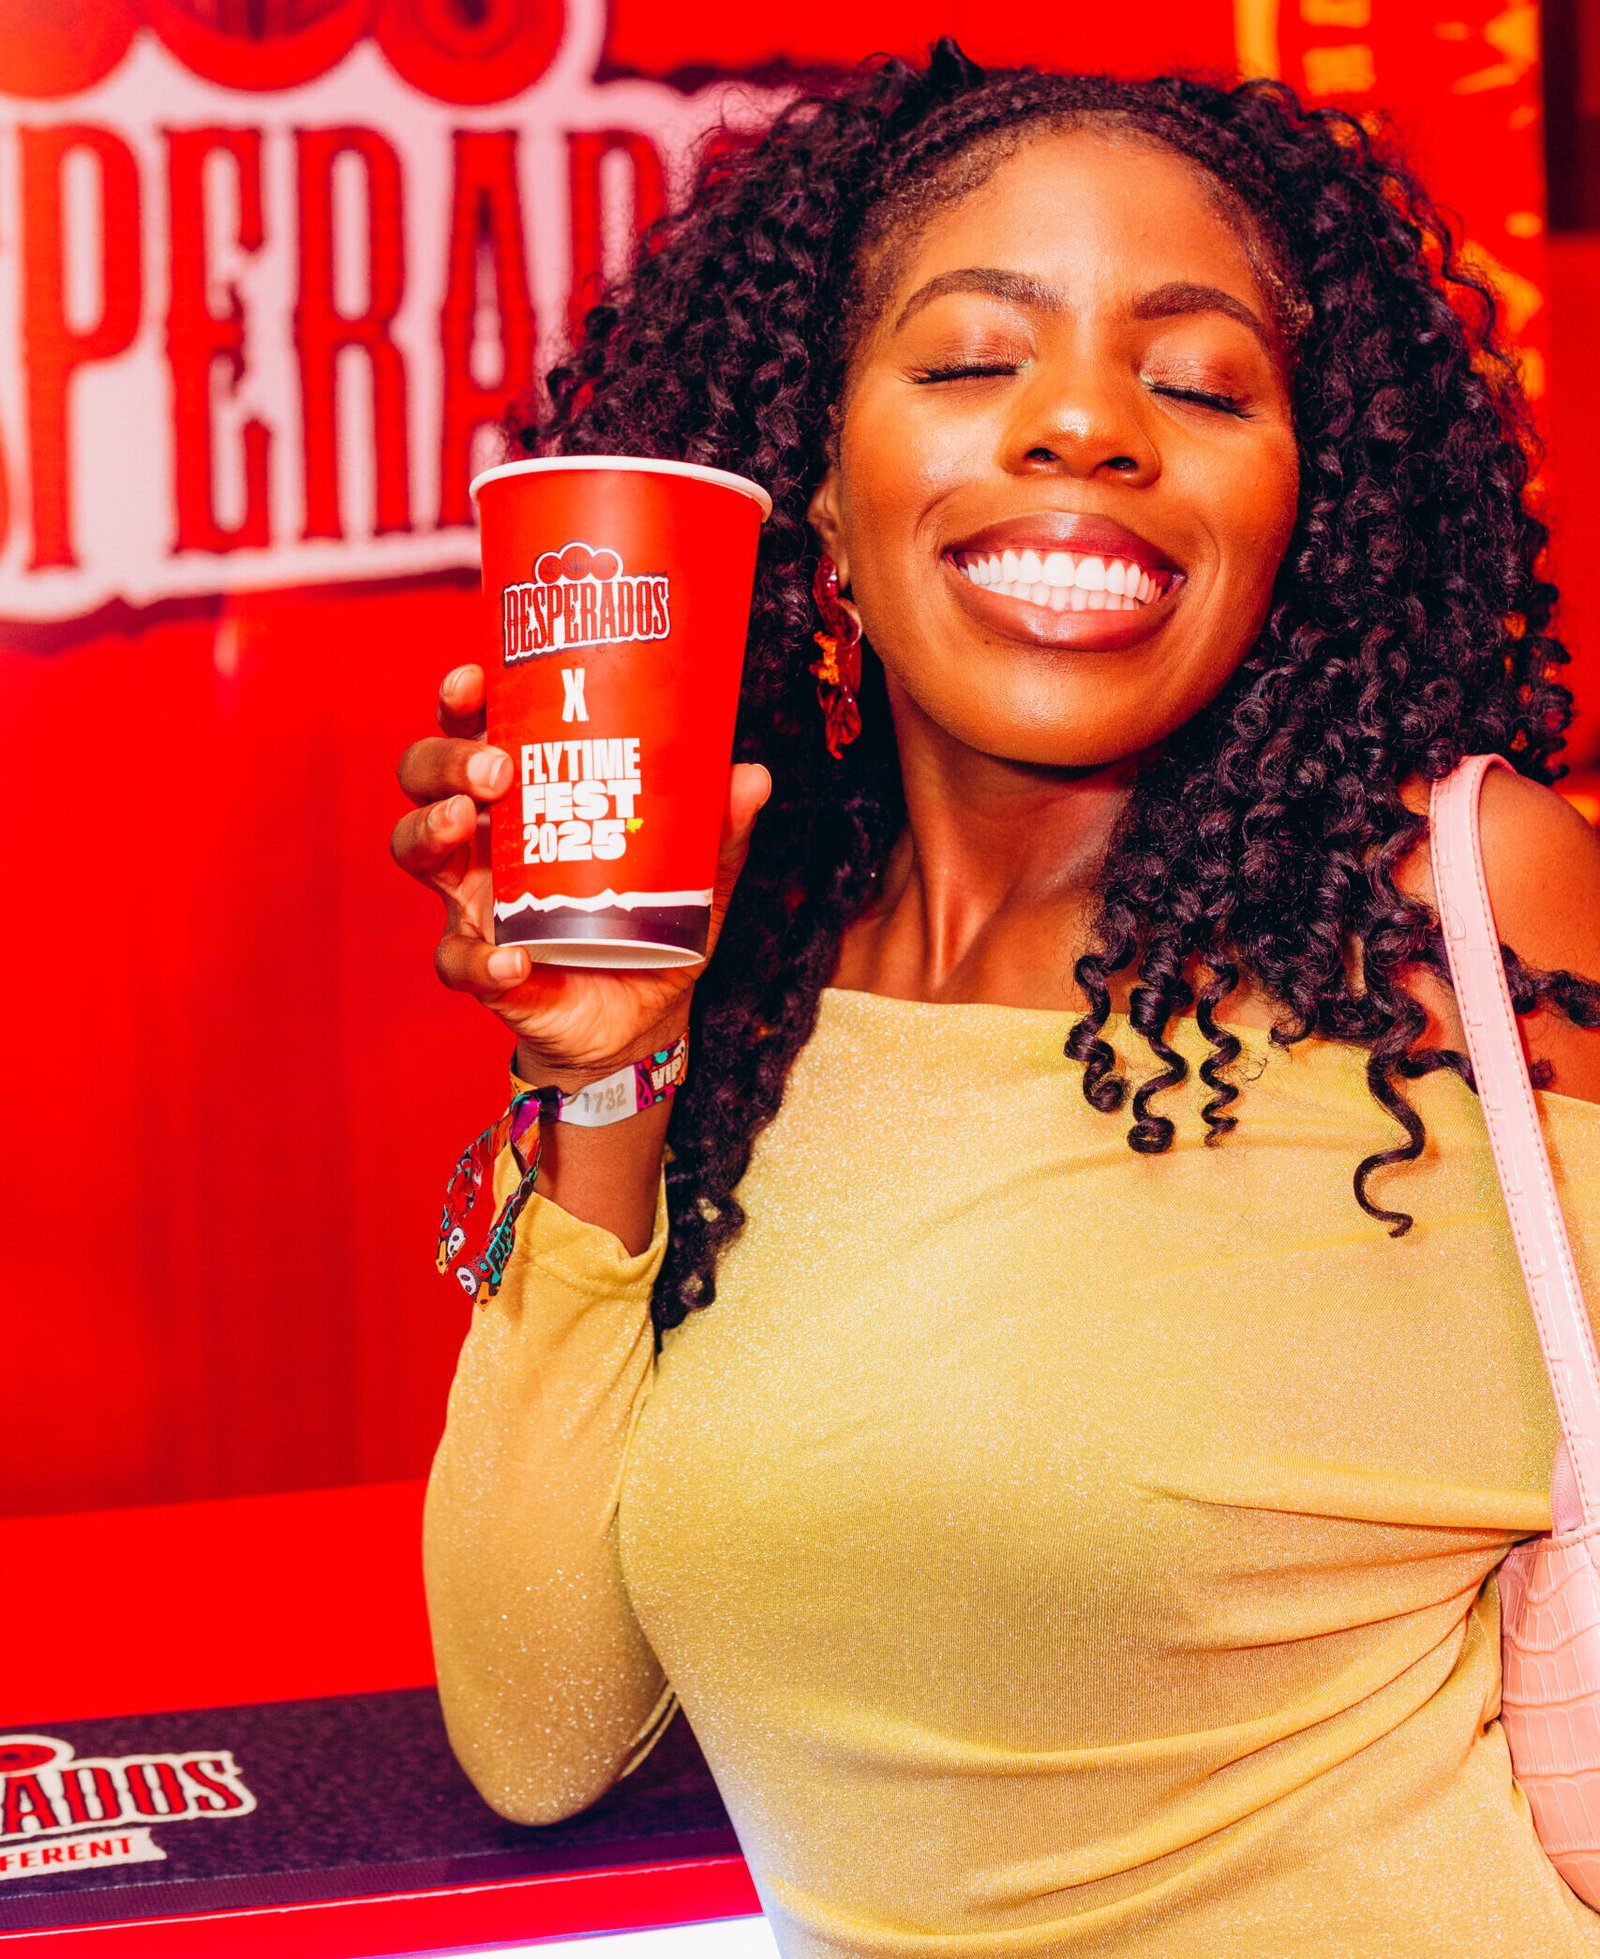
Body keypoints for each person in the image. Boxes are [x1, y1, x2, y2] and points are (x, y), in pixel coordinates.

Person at [392, 44, 1600, 1956]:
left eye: (1198, 383)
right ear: (817, 480)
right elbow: (538, 1737)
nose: (1087, 426)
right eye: (972, 361)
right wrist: (604, 1069)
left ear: (1300, 502)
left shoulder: (1462, 913)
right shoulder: (756, 986)